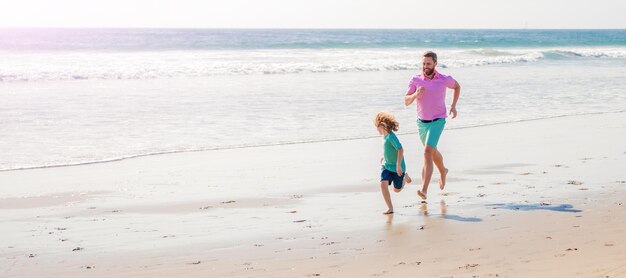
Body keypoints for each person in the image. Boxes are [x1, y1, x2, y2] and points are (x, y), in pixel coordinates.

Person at [404, 51, 461, 200]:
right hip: (421, 122)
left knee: (427, 153)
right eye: (423, 64)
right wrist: (416, 94)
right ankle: (443, 170)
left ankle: (424, 190)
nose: (425, 66)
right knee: (431, 152)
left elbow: (457, 87)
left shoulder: (443, 79)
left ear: (435, 63)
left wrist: (453, 106)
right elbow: (406, 101)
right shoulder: (415, 80)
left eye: (428, 64)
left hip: (438, 120)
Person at [374, 112, 412, 214]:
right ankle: (390, 207)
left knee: (397, 190)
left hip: (397, 168)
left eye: (376, 127)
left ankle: (405, 178)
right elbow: (389, 150)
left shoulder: (391, 136)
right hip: (386, 166)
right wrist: (384, 157)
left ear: (382, 126)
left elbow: (400, 149)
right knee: (383, 184)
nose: (376, 129)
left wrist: (398, 165)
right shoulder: (385, 137)